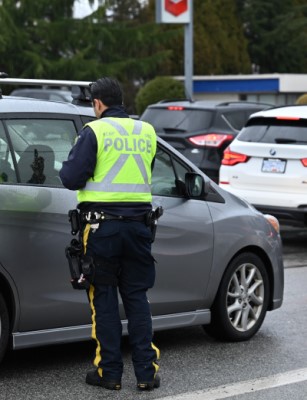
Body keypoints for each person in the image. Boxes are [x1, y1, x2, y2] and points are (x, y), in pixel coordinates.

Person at [59, 77, 160, 391]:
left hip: (102, 229)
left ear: (98, 103)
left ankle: (110, 373)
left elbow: (71, 178)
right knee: (137, 299)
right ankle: (146, 374)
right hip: (140, 228)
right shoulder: (147, 131)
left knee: (103, 299)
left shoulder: (94, 131)